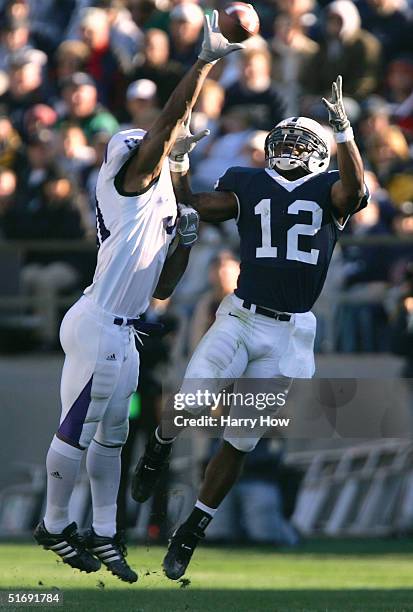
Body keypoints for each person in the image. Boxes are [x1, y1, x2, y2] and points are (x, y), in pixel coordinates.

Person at [33, 11, 243, 583]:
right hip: (98, 319)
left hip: (125, 327)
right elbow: (168, 123)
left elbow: (167, 288)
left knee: (114, 437)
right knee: (78, 429)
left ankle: (104, 533)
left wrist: (185, 243)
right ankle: (53, 524)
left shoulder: (160, 202)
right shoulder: (126, 186)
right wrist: (203, 62)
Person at [132, 76, 369, 579]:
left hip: (288, 335)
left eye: (298, 144)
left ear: (320, 154)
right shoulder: (247, 179)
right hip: (240, 316)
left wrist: (344, 132)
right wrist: (178, 160)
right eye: (280, 141)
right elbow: (189, 204)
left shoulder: (331, 188)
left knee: (241, 439)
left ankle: (192, 528)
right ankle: (161, 442)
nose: (285, 149)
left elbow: (358, 189)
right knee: (195, 397)